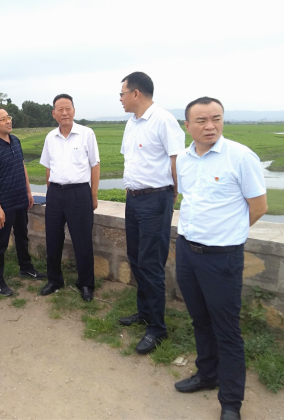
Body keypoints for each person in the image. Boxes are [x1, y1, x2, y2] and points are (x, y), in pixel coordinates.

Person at [174, 97, 267, 420]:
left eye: (216, 118)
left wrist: (227, 233)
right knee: (199, 319)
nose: (210, 126)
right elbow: (189, 199)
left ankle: (230, 402)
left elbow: (259, 207)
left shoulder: (240, 157)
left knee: (226, 329)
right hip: (187, 251)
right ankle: (207, 373)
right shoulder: (183, 159)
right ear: (188, 126)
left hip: (222, 257)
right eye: (201, 120)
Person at [117, 71, 185, 354]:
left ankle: (157, 328)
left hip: (156, 199)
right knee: (135, 258)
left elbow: (176, 161)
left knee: (151, 263)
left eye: (122, 93)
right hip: (133, 199)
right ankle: (144, 312)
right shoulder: (131, 123)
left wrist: (172, 195)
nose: (120, 99)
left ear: (136, 93)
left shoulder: (163, 120)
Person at [39, 94, 100, 302]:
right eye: (60, 109)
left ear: (74, 111)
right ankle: (54, 280)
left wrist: (93, 195)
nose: (65, 113)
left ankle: (86, 284)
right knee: (53, 239)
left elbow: (95, 165)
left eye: (68, 109)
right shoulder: (50, 137)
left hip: (79, 193)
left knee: (82, 241)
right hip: (55, 193)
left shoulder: (86, 133)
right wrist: (50, 192)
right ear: (54, 113)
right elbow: (48, 167)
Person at [0, 108, 46, 297]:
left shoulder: (16, 141)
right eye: (3, 119)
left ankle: (25, 267)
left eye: (8, 117)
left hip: (20, 199)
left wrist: (28, 191)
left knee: (22, 235)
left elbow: (22, 166)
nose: (8, 121)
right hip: (3, 203)